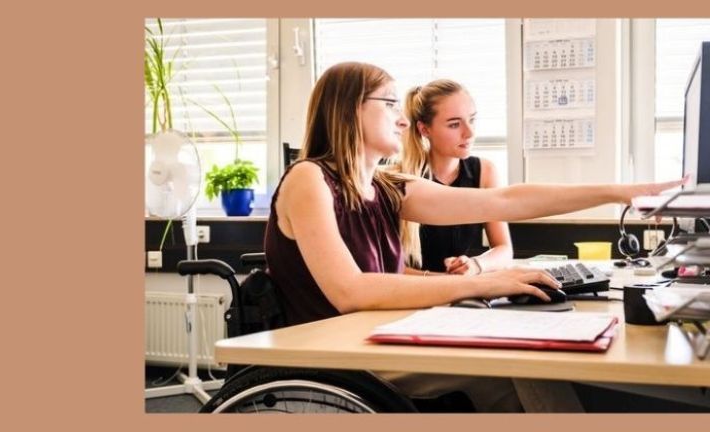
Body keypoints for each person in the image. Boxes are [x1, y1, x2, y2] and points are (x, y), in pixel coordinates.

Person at [263, 61, 684, 412]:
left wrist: (622, 192)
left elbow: (506, 200)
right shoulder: (309, 179)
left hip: (379, 337)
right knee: (509, 366)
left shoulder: (387, 188)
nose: (403, 118)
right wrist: (481, 282)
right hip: (337, 354)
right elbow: (350, 292)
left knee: (520, 364)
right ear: (348, 109)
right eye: (389, 103)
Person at [399, 79, 511, 275]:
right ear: (424, 129)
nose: (469, 133)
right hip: (413, 293)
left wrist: (476, 265)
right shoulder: (397, 177)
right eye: (454, 125)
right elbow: (386, 267)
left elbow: (504, 249)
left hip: (464, 292)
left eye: (472, 120)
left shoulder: (485, 171)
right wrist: (444, 282)